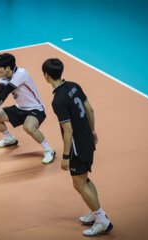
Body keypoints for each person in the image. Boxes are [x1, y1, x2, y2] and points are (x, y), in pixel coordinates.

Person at [42, 58, 113, 237]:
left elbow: (68, 129)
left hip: (77, 146)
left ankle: (102, 221)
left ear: (46, 75)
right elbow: (90, 110)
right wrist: (93, 130)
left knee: (79, 183)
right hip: (87, 138)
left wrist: (65, 157)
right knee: (85, 180)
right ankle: (96, 212)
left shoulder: (58, 100)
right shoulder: (74, 86)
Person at [0, 53, 55, 164]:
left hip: (36, 109)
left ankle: (48, 150)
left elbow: (5, 93)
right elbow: (0, 94)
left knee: (28, 127)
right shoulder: (3, 76)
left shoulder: (21, 74)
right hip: (20, 108)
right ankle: (9, 139)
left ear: (8, 68)